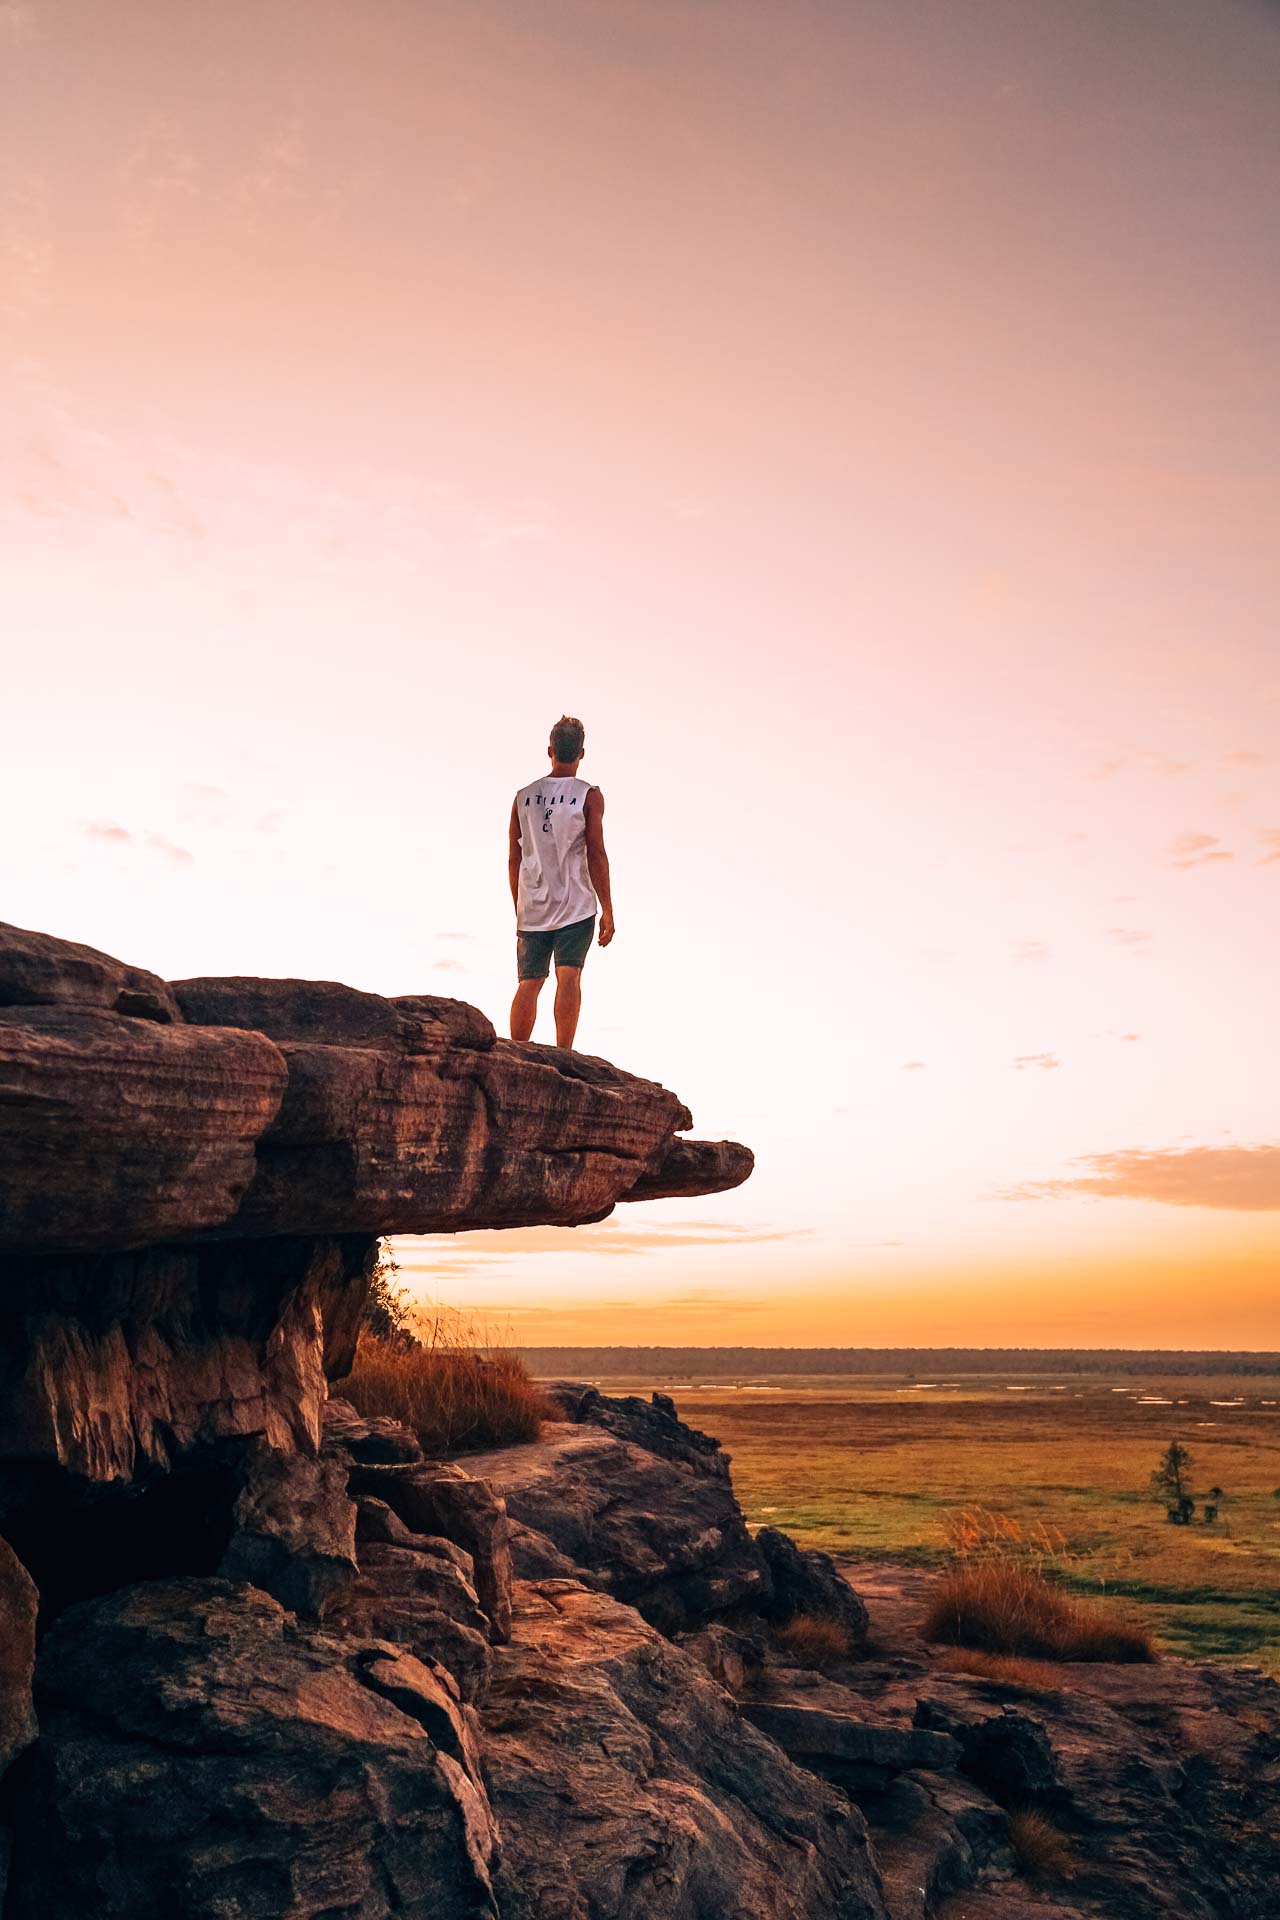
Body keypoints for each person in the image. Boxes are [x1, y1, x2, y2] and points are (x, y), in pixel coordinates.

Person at [508, 715, 614, 1048]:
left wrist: (520, 907)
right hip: (576, 904)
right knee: (569, 974)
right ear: (581, 753)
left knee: (530, 981)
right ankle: (563, 1054)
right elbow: (596, 853)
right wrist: (608, 909)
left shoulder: (522, 797)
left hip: (534, 907)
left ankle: (517, 1052)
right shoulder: (589, 795)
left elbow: (515, 858)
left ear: (550, 750)